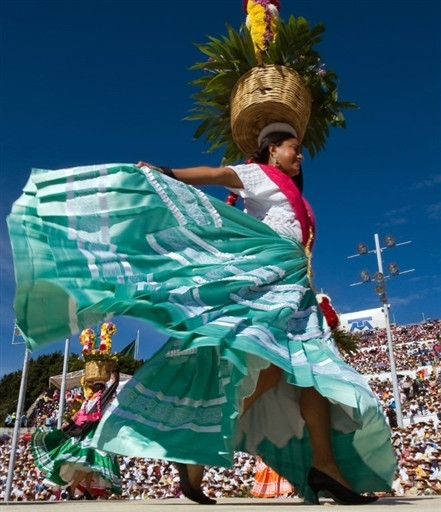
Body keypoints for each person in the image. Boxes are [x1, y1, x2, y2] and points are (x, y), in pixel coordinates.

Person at [8, 123, 396, 505]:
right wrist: (170, 173)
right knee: (296, 366)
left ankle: (319, 463)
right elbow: (216, 174)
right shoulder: (259, 174)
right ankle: (208, 446)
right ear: (272, 149)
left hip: (294, 284)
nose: (300, 156)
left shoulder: (294, 192)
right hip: (271, 280)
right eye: (294, 148)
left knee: (304, 370)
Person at [31, 374, 122, 500]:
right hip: (94, 432)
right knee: (91, 462)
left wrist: (67, 425)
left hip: (84, 431)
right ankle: (74, 487)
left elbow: (78, 416)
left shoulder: (88, 401)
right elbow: (112, 391)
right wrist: (115, 378)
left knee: (90, 463)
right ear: (103, 389)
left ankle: (85, 490)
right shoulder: (102, 399)